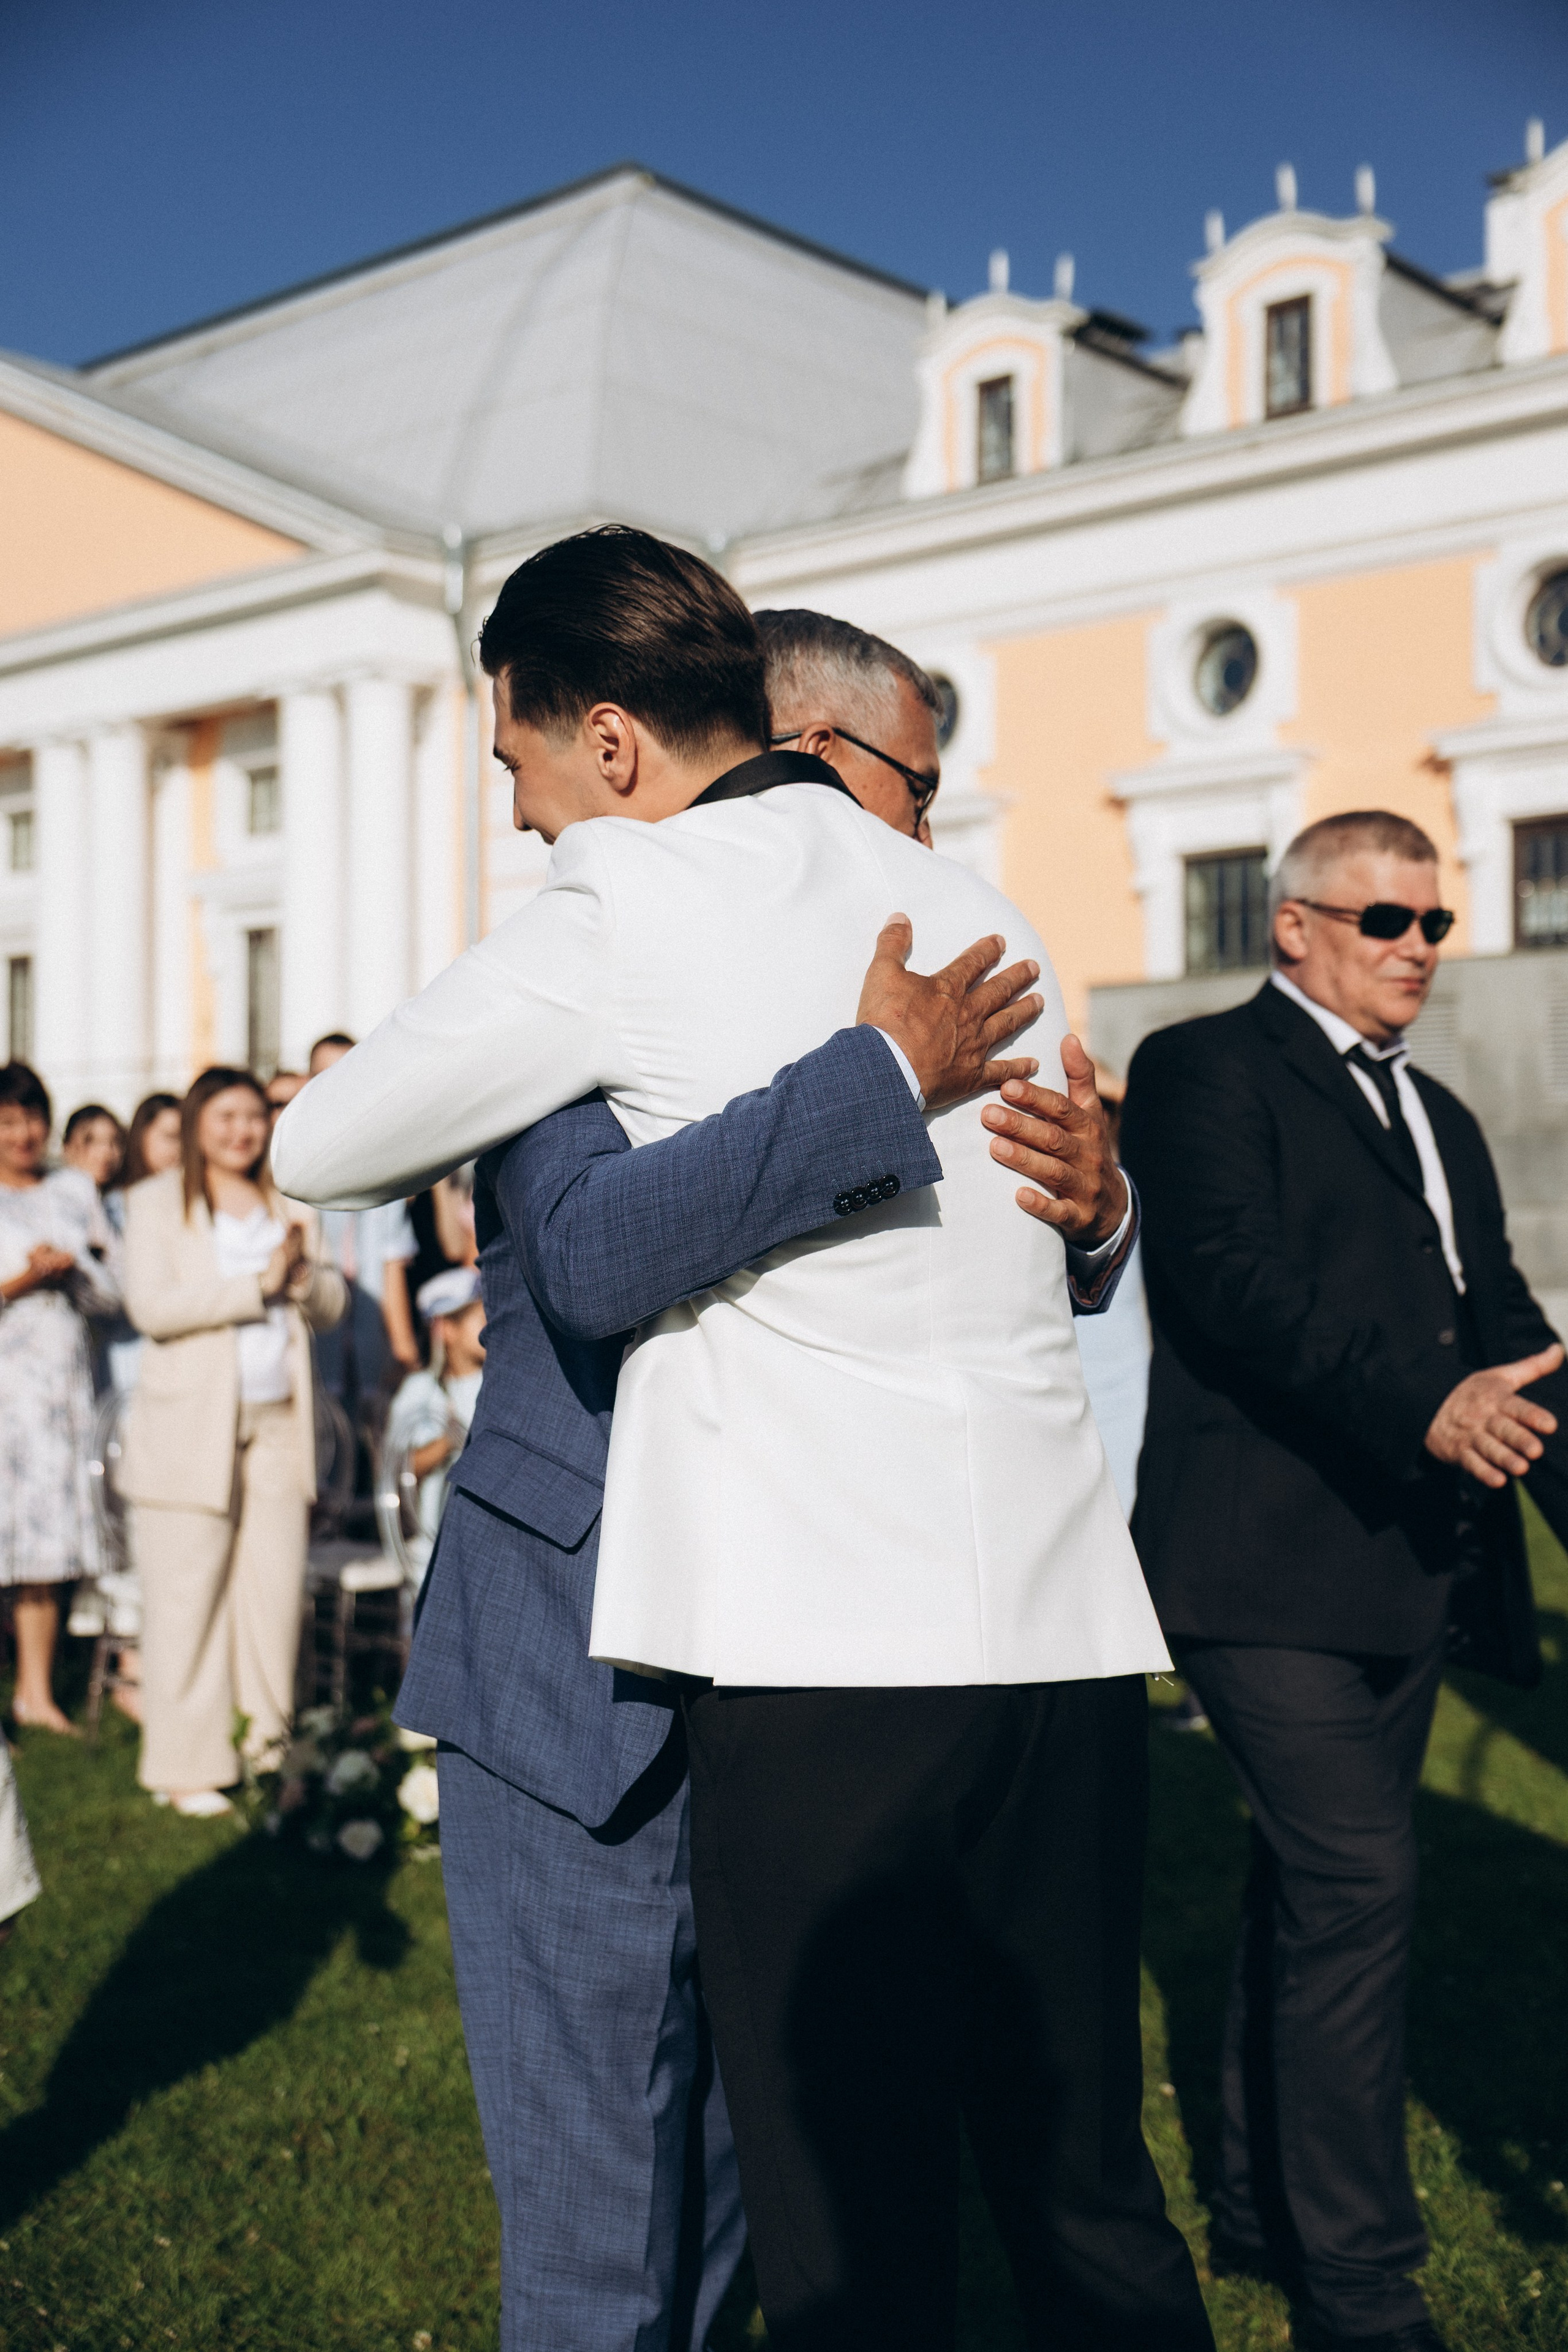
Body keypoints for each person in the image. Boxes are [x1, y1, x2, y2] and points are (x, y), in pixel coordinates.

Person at [275, 529, 1209, 2352]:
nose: (523, 814)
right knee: (1003, 2170)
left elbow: (416, 1181)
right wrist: (898, 1105)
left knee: (822, 2202)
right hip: (925, 1643)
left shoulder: (622, 910)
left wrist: (1088, 1204)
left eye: (519, 766)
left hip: (808, 1648)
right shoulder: (985, 920)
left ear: (611, 742)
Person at [1121, 810, 1568, 2352]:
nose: (1417, 951)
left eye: (1433, 924)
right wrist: (1424, 1407)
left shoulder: (1438, 1115)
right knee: (1359, 1882)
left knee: (1305, 1890)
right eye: (1385, 920)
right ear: (1292, 926)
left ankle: (1255, 2206)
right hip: (1251, 1561)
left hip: (1403, 1562)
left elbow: (1500, 1319)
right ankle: (1361, 2291)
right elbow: (1235, 1288)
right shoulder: (1199, 1070)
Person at [119, 1067, 345, 1817]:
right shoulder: (155, 1201)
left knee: (275, 1595)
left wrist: (301, 1277)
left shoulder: (288, 1199)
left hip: (279, 1421)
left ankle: (270, 1747)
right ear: (195, 1123)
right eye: (226, 1117)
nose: (243, 1131)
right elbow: (152, 1306)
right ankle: (186, 1765)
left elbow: (333, 1301)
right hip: (191, 1427)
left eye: (254, 1116)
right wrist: (258, 1285)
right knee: (187, 1597)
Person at [0, 1061, 119, 1733]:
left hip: (59, 1391)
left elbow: (114, 1295)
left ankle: (36, 1692)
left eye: (32, 1118)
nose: (23, 1134)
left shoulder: (74, 1192)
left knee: (43, 1548)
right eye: (9, 1121)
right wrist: (22, 1279)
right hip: (5, 1390)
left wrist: (72, 1270)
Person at [305, 1033, 420, 1414]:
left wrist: (403, 1350)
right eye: (324, 1075)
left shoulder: (382, 1162)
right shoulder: (296, 1167)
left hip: (370, 1352)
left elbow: (392, 1265)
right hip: (312, 1354)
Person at [382, 1265, 486, 1581]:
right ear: (447, 1329)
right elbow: (395, 1471)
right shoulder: (420, 1392)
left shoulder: (498, 1384)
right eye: (478, 1318)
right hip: (430, 1553)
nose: (489, 1326)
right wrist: (447, 1443)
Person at [61, 1102, 127, 1194]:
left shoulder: (116, 1199)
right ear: (67, 1147)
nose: (106, 1151)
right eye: (92, 1141)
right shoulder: (55, 1197)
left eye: (114, 1141)